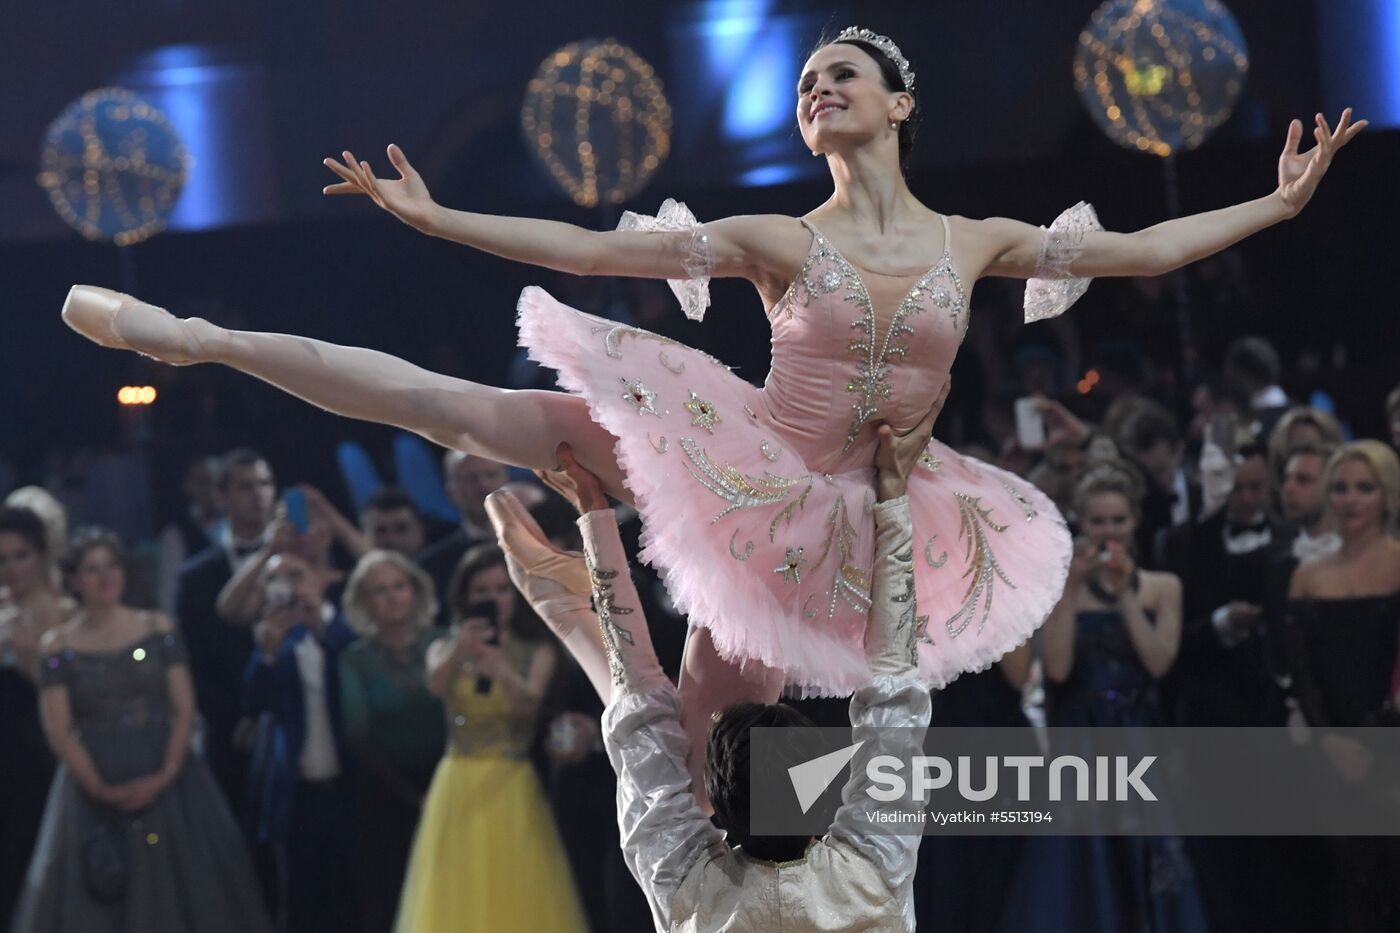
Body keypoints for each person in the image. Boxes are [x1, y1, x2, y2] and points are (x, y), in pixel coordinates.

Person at [59, 27, 1367, 797]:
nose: (818, 87)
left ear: (901, 103)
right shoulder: (772, 237)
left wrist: (1280, 203)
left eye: (842, 72)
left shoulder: (979, 240)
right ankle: (208, 340)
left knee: (781, 800)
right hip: (739, 472)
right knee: (466, 412)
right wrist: (433, 214)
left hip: (862, 525)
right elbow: (583, 255)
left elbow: (1138, 254)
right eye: (805, 80)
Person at [489, 399, 937, 931]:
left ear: (717, 815)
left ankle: (564, 605)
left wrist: (595, 521)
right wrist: (892, 499)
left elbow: (640, 717)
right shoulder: (870, 870)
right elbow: (895, 695)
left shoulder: (689, 886)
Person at [13, 528, 271, 932]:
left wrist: (165, 774)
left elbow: (184, 708)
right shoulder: (58, 645)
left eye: (112, 565)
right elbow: (59, 729)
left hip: (167, 770)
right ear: (74, 580)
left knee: (186, 881)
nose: (105, 577)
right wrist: (98, 788)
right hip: (94, 776)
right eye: (92, 569)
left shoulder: (155, 628)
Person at [1006, 461, 1209, 932]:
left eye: (1118, 521)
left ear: (1135, 521)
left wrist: (1124, 597)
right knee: (1084, 854)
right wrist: (1074, 589)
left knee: (1147, 848)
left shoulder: (1163, 586)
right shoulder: (1062, 589)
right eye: (1099, 521)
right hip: (1081, 736)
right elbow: (1056, 669)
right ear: (1081, 521)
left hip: (1140, 733)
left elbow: (1159, 663)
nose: (1109, 532)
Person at [393, 544, 586, 932]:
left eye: (501, 589)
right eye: (482, 591)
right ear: (466, 597)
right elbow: (435, 685)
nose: (493, 599)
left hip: (512, 783)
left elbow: (530, 706)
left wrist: (501, 668)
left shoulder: (537, 650)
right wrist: (462, 649)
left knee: (515, 887)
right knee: (454, 891)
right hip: (457, 781)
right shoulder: (444, 646)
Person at [1285, 440, 1400, 933]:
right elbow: (1302, 674)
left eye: (1364, 488)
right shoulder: (1307, 578)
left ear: (1387, 495)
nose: (1351, 500)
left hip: (1392, 747)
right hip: (1329, 751)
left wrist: (1375, 741)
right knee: (1343, 886)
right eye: (1340, 488)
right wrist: (1330, 739)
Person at [243, 550, 358, 933]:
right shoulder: (271, 642)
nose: (289, 587)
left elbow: (357, 672)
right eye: (277, 580)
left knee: (355, 900)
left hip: (349, 789)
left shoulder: (342, 629)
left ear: (318, 578)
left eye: (296, 574)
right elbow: (255, 703)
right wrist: (268, 653)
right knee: (300, 907)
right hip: (297, 795)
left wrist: (321, 622)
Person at [337, 550, 443, 933]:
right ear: (364, 602)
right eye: (379, 591)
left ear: (415, 589)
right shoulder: (355, 659)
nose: (392, 597)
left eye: (398, 586)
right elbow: (358, 736)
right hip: (386, 796)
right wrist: (411, 797)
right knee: (392, 899)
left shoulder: (445, 642)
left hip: (452, 784)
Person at [175, 448, 277, 809]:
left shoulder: (302, 560)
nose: (258, 495)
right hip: (230, 732)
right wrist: (233, 720)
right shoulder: (195, 578)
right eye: (246, 486)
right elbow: (193, 661)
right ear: (221, 497)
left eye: (265, 484)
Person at [0, 507, 73, 926]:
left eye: (20, 555)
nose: (11, 569)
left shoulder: (65, 611)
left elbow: (71, 688)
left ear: (42, 555)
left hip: (41, 754)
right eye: (2, 559)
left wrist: (21, 650)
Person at [417, 452, 509, 621]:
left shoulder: (544, 543)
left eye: (491, 475)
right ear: (451, 492)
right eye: (470, 479)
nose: (483, 485)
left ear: (507, 482)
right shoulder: (432, 567)